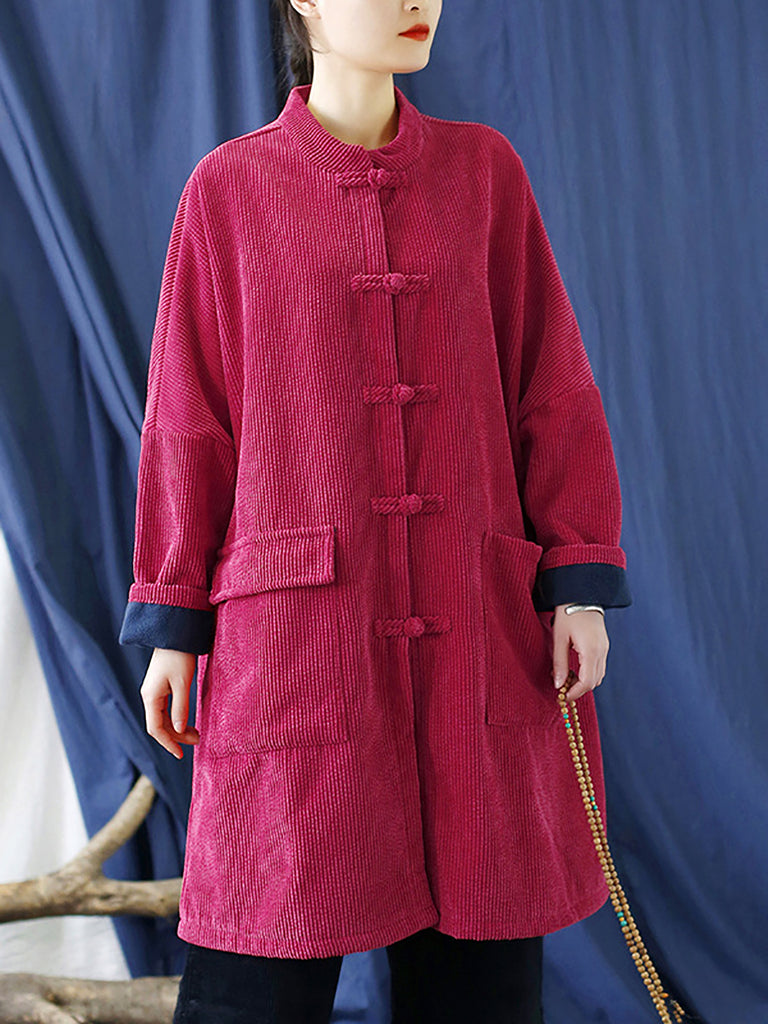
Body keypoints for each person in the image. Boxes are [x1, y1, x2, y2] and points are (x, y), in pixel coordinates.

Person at [118, 0, 632, 1021]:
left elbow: (551, 383)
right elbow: (188, 418)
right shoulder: (229, 190)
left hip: (476, 625)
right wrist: (174, 621)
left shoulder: (485, 175)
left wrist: (576, 581)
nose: (415, 2)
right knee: (257, 967)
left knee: (483, 972)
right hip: (296, 636)